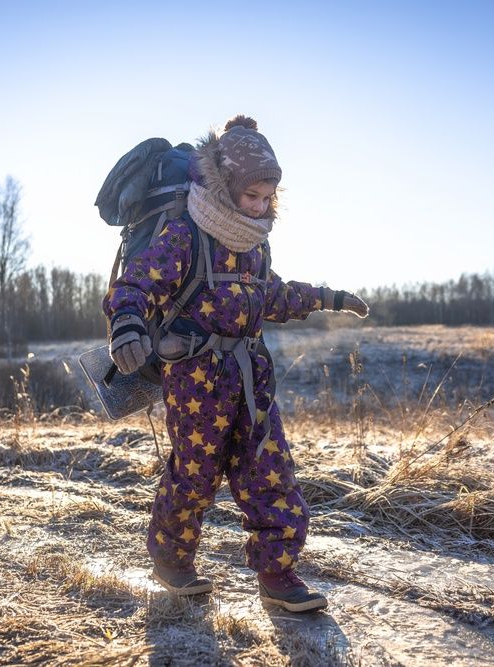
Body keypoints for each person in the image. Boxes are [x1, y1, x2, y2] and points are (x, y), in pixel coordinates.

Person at [104, 115, 368, 613]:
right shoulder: (186, 234)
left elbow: (271, 296)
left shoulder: (254, 245)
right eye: (253, 197)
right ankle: (172, 561)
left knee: (270, 472)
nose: (262, 206)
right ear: (225, 187)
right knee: (195, 474)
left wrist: (328, 297)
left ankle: (278, 574)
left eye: (270, 198)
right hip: (195, 380)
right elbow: (134, 285)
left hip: (251, 378)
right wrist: (127, 325)